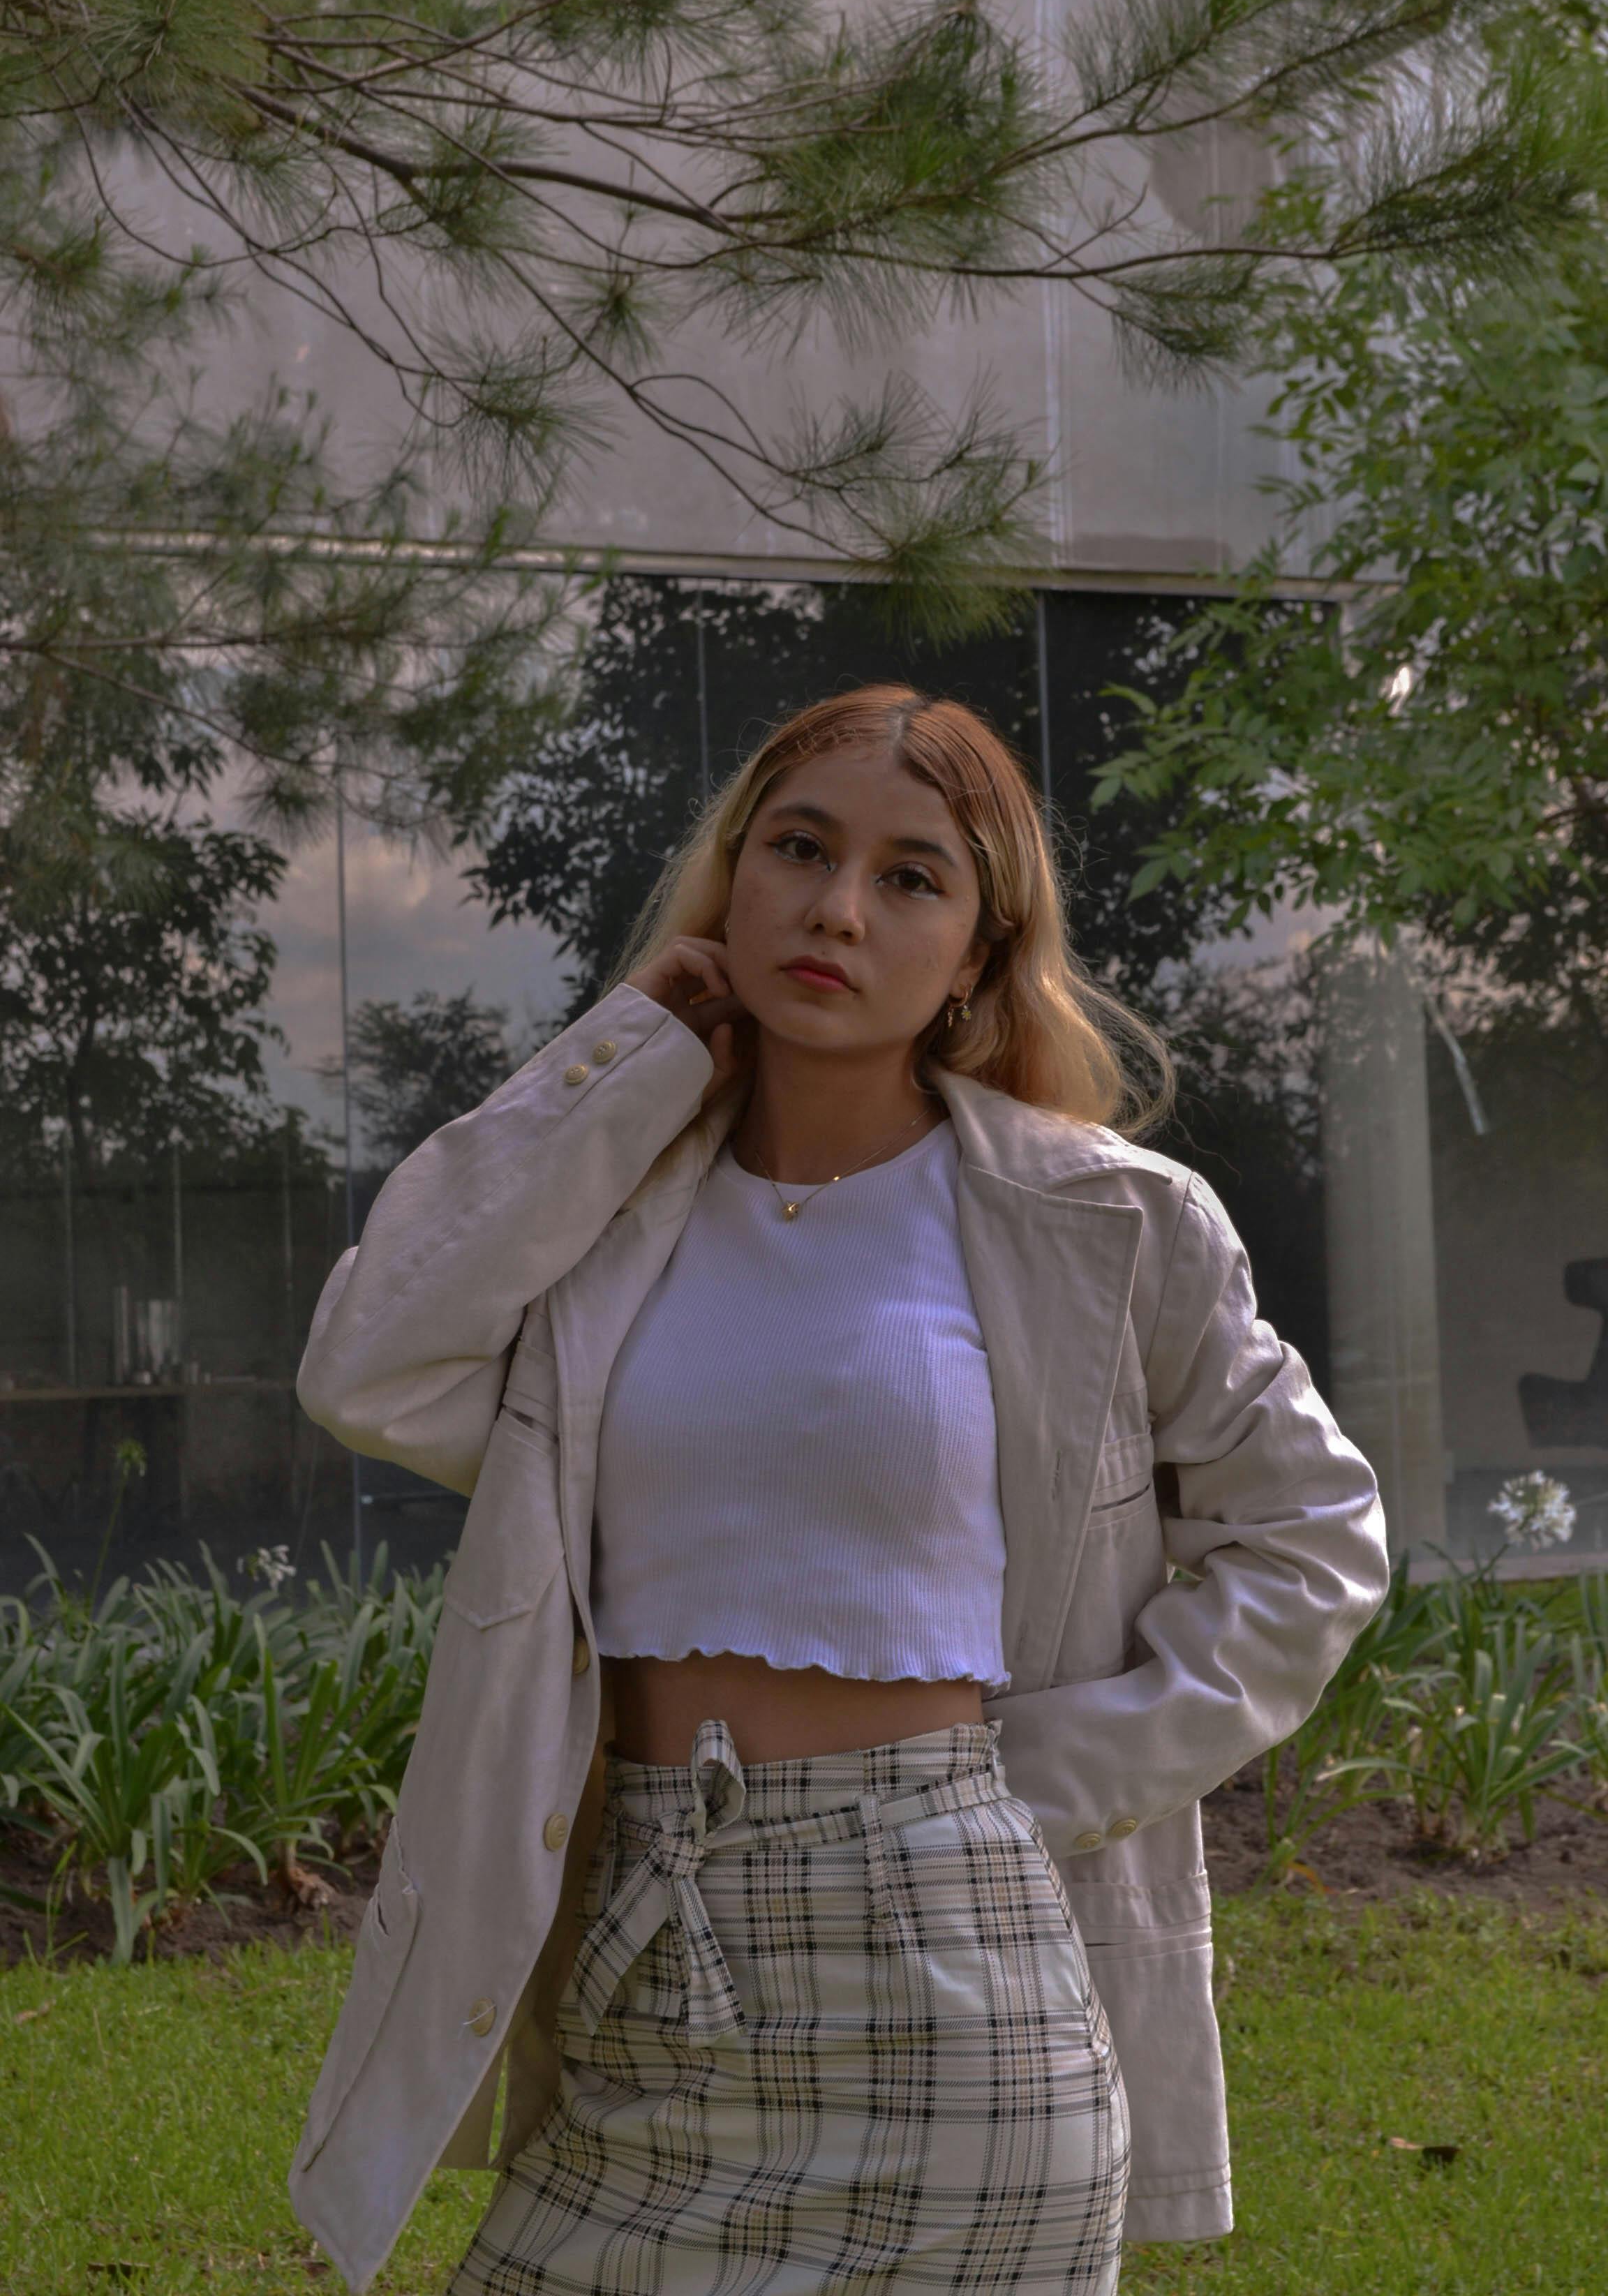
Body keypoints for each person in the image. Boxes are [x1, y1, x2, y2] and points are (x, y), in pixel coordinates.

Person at [288, 685, 1390, 2295]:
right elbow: (366, 1364)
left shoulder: (1107, 1222)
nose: (836, 908)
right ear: (733, 877)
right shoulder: (611, 1223)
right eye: (799, 849)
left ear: (979, 953)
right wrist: (626, 1055)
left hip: (957, 1972)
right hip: (643, 1949)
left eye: (912, 877)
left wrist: (1036, 1792)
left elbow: (1313, 1539)